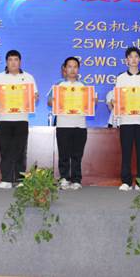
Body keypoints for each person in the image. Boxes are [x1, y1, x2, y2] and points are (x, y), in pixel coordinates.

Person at [0, 50, 38, 189]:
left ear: (20, 62)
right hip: (4, 119)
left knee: (20, 150)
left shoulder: (28, 77)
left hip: (21, 119)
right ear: (6, 62)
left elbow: (35, 95)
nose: (13, 63)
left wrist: (34, 98)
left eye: (16, 60)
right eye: (10, 60)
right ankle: (5, 179)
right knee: (4, 149)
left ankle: (19, 179)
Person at [115, 47, 140, 191]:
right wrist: (117, 119)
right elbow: (117, 100)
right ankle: (126, 181)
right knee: (126, 152)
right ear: (126, 60)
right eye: (130, 57)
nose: (133, 59)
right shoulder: (121, 78)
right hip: (126, 121)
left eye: (136, 56)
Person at [48, 57, 88, 190]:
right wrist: (55, 100)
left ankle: (76, 179)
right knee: (64, 154)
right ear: (65, 69)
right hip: (63, 124)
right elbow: (49, 101)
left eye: (75, 67)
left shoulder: (84, 86)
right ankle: (64, 178)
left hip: (80, 125)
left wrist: (92, 100)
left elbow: (89, 104)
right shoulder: (58, 85)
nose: (72, 69)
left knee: (77, 155)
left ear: (78, 69)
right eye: (69, 66)